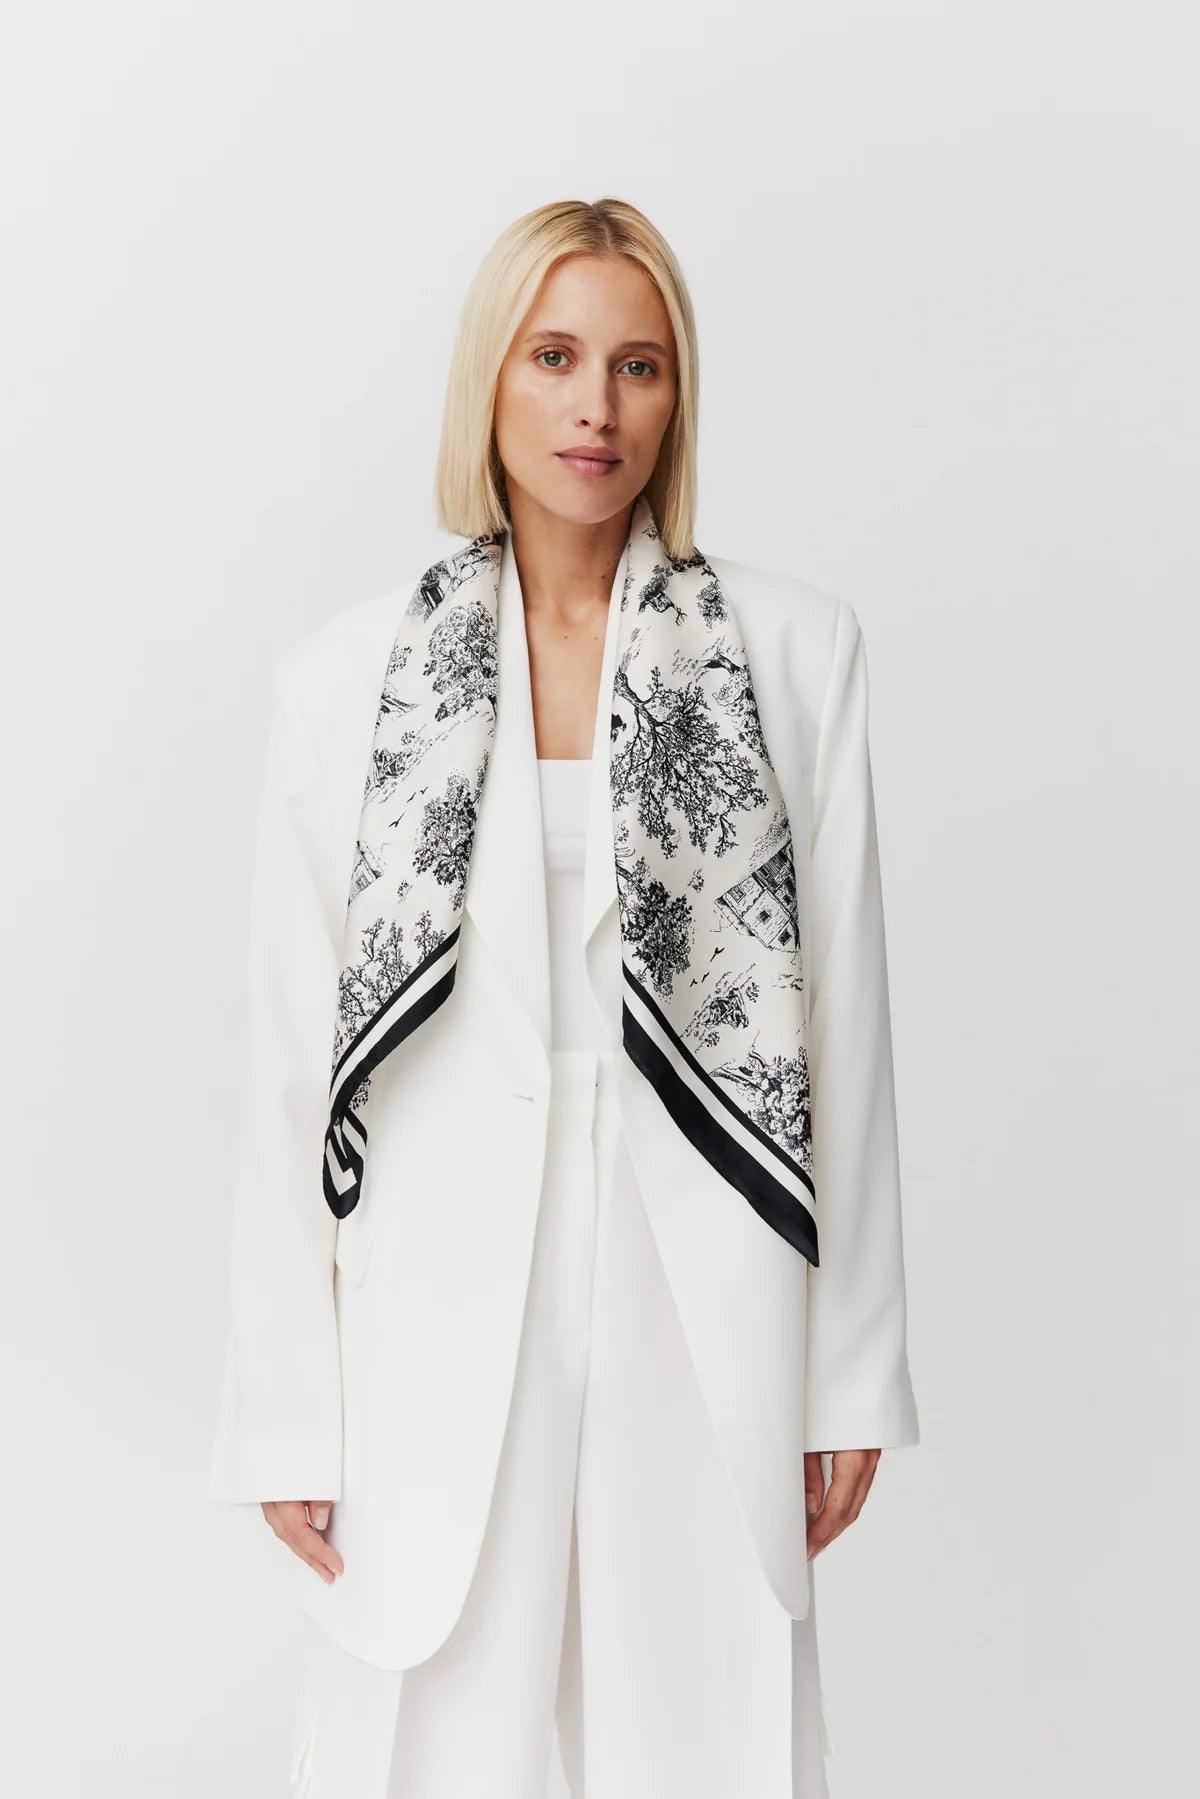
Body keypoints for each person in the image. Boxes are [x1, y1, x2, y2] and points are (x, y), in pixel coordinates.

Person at [208, 195, 921, 1799]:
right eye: (554, 357)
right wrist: (286, 1412)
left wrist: (851, 1369)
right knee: (425, 1736)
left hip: (706, 1262)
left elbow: (849, 1034)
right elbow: (288, 1064)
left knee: (710, 1736)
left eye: (638, 365)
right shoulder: (349, 681)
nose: (596, 405)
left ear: (677, 398)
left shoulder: (795, 656)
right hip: (437, 1279)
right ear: (492, 377)